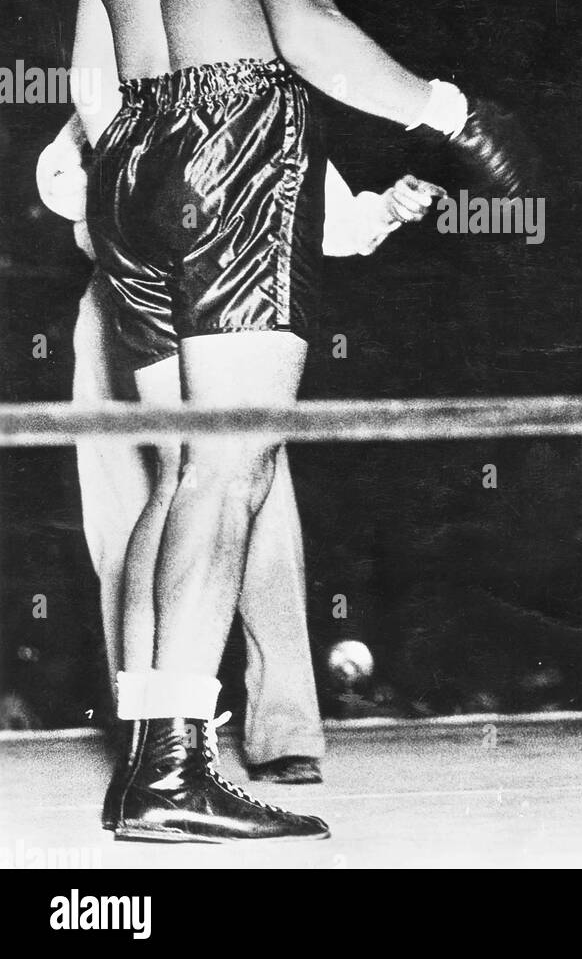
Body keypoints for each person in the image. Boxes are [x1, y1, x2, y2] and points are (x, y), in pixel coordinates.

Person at [71, 0, 529, 842]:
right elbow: (310, 33)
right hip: (235, 141)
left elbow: (89, 81)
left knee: (187, 472)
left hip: (130, 159)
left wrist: (150, 162)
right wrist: (449, 111)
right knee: (230, 471)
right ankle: (172, 771)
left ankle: (159, 751)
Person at [37, 112, 441, 790]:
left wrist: (388, 209)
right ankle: (148, 734)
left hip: (228, 309)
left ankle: (284, 731)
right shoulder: (121, 89)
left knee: (258, 511)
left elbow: (333, 224)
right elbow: (62, 190)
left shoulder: (265, 102)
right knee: (124, 522)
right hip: (120, 307)